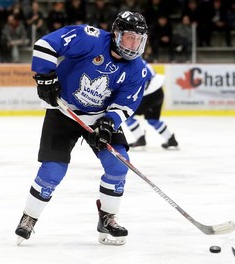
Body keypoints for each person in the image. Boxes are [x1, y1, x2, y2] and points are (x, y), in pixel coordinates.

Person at [14, 11, 148, 246]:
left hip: (98, 117)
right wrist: (45, 76)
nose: (134, 45)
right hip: (64, 111)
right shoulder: (90, 38)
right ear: (116, 34)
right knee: (53, 170)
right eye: (129, 37)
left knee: (118, 164)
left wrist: (109, 123)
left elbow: (126, 103)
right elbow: (45, 44)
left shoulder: (137, 68)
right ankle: (29, 217)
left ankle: (107, 217)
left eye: (138, 39)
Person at [125, 61, 178, 149]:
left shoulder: (130, 65)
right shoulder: (140, 61)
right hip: (159, 92)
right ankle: (171, 140)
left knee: (127, 115)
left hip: (148, 95)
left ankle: (140, 139)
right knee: (152, 119)